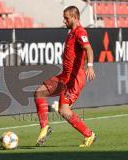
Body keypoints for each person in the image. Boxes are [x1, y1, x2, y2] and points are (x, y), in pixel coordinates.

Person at [34, 6, 96, 147]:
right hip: (64, 76)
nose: (64, 20)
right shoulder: (70, 33)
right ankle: (45, 127)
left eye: (67, 18)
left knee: (63, 110)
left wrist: (90, 65)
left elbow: (89, 48)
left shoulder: (80, 32)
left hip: (74, 80)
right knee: (39, 92)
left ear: (75, 17)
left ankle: (89, 134)